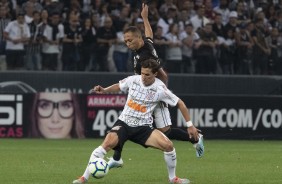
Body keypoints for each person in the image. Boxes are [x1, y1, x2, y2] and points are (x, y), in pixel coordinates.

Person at [104, 3, 204, 169]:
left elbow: (163, 74)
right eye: (126, 41)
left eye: (130, 40)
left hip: (153, 92)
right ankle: (116, 157)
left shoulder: (146, 56)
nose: (127, 44)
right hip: (142, 91)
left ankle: (195, 137)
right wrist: (144, 18)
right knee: (126, 122)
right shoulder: (145, 44)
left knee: (163, 131)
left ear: (138, 39)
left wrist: (160, 92)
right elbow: (149, 34)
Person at [73, 59, 200, 184]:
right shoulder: (133, 80)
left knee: (168, 146)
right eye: (142, 73)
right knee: (105, 145)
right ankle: (83, 178)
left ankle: (173, 179)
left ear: (155, 74)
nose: (143, 77)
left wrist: (190, 125)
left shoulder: (160, 89)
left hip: (143, 128)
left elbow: (180, 103)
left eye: (147, 75)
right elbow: (119, 86)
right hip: (124, 123)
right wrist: (105, 90)